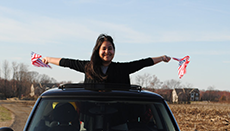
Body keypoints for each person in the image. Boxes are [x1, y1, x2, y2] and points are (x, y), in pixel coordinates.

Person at [42, 34, 171, 86]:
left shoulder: (121, 69)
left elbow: (142, 63)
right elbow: (67, 62)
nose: (107, 52)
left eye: (110, 48)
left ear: (114, 51)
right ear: (98, 51)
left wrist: (161, 58)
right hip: (90, 117)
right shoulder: (88, 67)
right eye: (104, 49)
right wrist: (48, 59)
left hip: (116, 118)